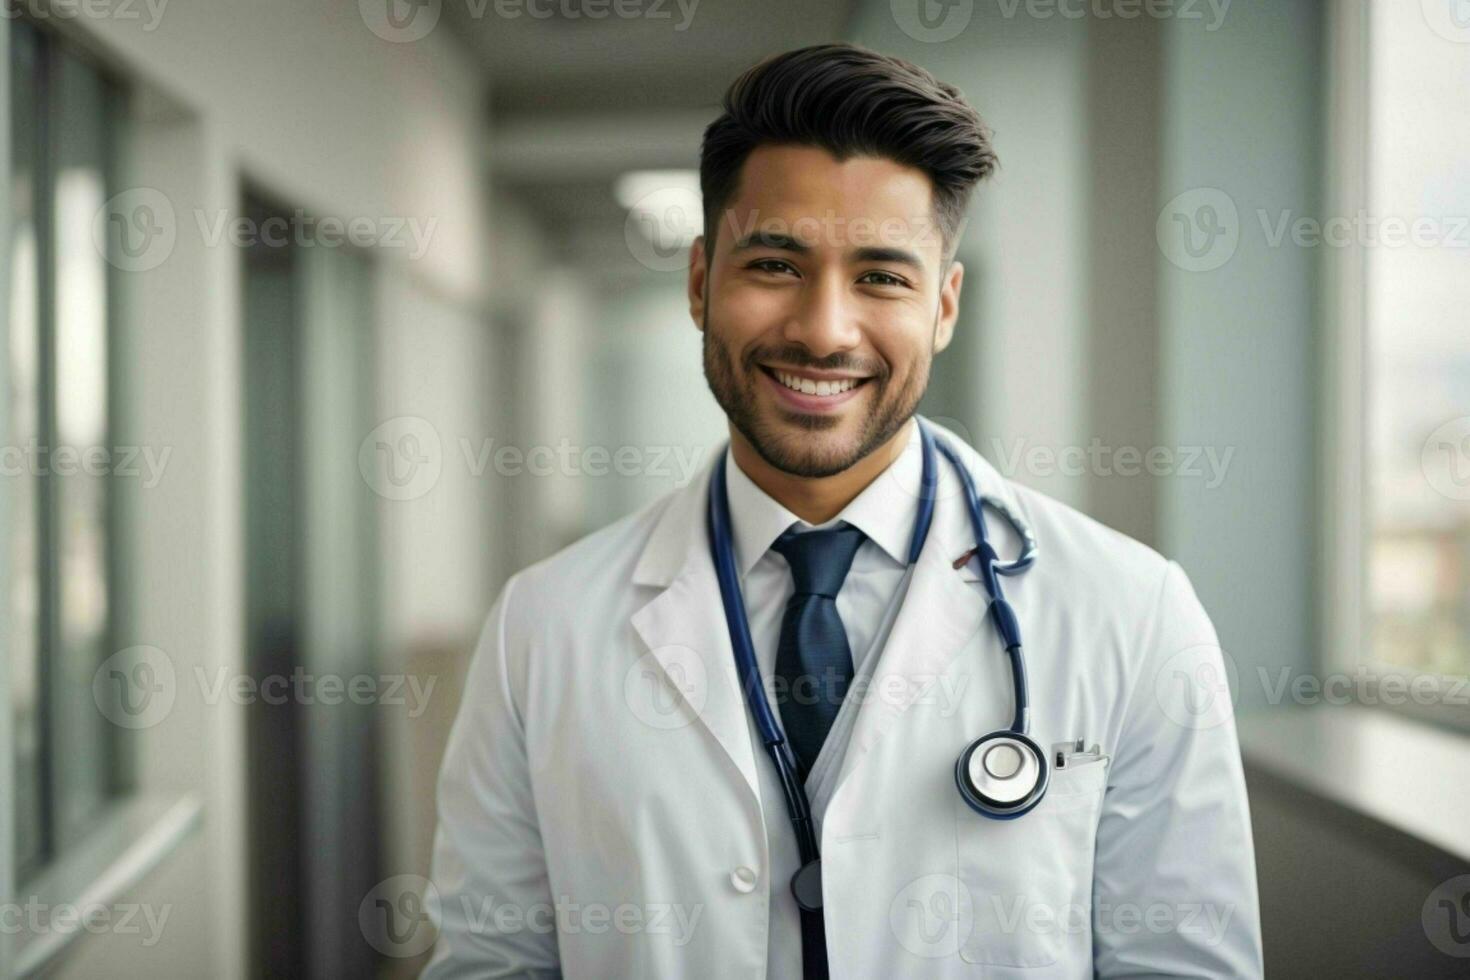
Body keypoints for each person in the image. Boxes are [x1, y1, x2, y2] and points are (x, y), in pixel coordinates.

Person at [423, 42, 1262, 979]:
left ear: (943, 306)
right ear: (701, 282)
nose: (824, 329)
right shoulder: (542, 627)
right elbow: (491, 961)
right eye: (776, 264)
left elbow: (1183, 965)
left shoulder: (1131, 611)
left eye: (881, 277)